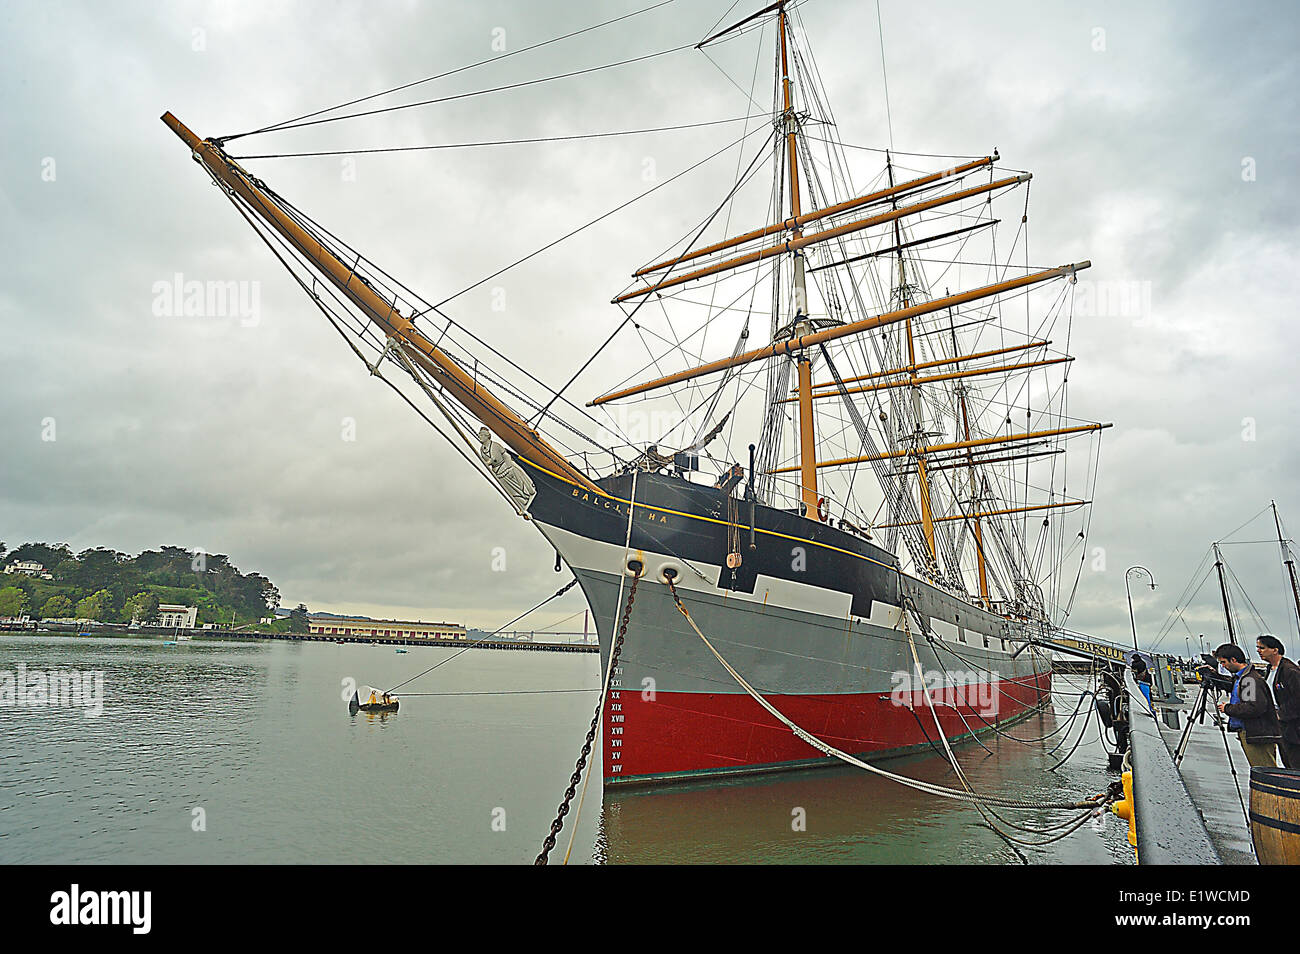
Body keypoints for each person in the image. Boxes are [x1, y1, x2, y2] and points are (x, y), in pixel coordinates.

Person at [1214, 643, 1281, 768]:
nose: (1223, 666)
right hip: (1251, 732)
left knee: (1264, 771)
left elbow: (1253, 707)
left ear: (1233, 660)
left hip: (1255, 733)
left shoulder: (1249, 680)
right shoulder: (1243, 678)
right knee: (1260, 771)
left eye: (1224, 662)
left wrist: (1227, 708)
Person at [1257, 634, 1300, 769]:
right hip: (1280, 726)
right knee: (1287, 761)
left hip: (1293, 726)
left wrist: (1280, 714)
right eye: (1258, 648)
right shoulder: (1271, 669)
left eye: (1262, 648)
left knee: (1295, 763)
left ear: (1275, 650)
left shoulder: (1290, 671)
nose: (1259, 651)